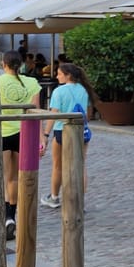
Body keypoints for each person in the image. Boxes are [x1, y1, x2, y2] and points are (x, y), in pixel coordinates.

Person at [40, 62, 97, 209]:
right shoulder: (84, 90)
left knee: (58, 166)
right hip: (80, 129)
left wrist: (46, 134)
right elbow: (88, 112)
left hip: (62, 130)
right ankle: (79, 202)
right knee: (81, 165)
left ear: (68, 75)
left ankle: (54, 197)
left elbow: (54, 114)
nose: (57, 76)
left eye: (59, 73)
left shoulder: (59, 91)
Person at [0, 51, 42, 239]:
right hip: (22, 133)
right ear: (22, 64)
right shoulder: (32, 83)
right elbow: (35, 112)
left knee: (3, 177)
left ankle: (3, 216)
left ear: (3, 64)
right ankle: (11, 216)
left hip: (1, 131)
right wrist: (42, 137)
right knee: (15, 178)